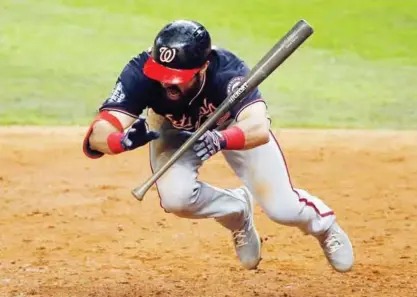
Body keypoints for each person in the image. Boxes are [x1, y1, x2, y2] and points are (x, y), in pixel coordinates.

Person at [82, 19, 354, 273]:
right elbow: (100, 131)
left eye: (176, 77)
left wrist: (221, 138)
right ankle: (237, 212)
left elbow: (257, 127)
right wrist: (121, 141)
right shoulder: (140, 72)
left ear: (202, 68)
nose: (166, 82)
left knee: (283, 209)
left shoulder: (229, 72)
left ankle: (324, 227)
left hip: (232, 128)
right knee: (177, 199)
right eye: (162, 73)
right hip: (173, 129)